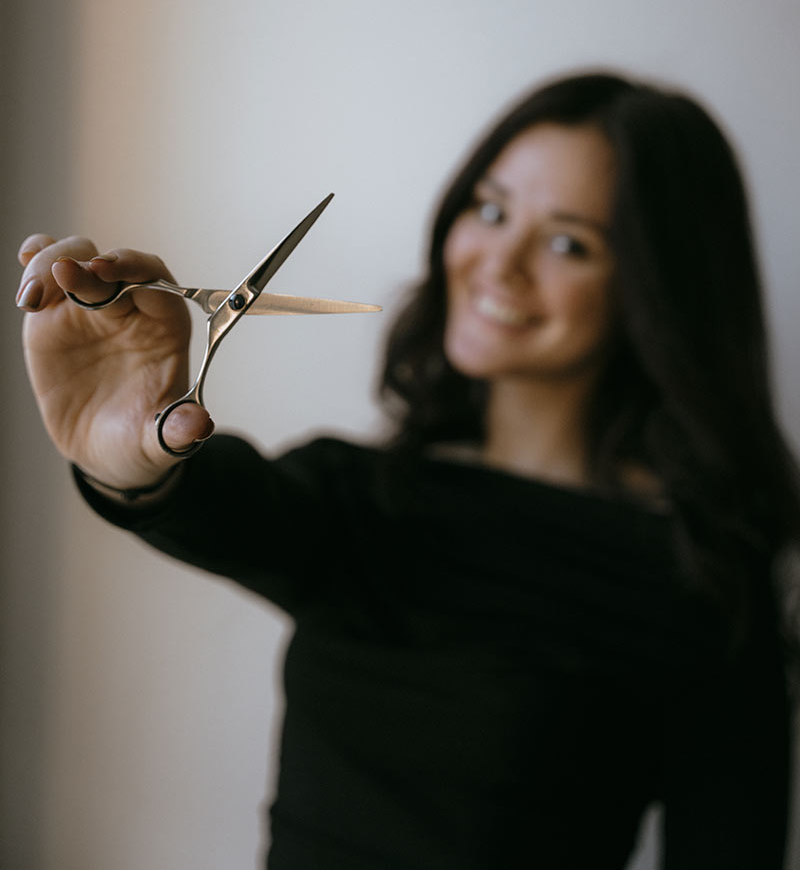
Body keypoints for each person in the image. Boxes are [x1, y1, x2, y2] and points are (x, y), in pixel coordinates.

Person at [16, 71, 799, 868]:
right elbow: (207, 500)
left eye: (569, 243)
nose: (499, 262)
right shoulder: (361, 499)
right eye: (490, 209)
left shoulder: (702, 581)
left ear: (656, 285)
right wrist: (129, 453)